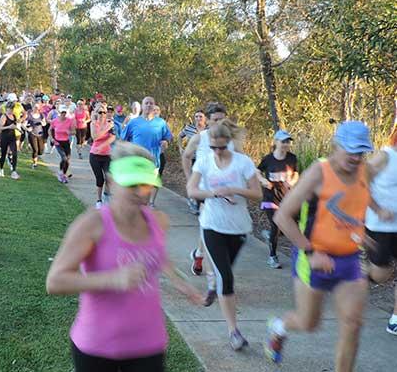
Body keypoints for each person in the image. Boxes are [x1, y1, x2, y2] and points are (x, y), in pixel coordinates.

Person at [46, 141, 204, 372]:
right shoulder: (92, 224)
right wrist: (113, 279)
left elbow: (158, 256)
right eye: (131, 183)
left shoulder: (158, 220)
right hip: (98, 345)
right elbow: (55, 281)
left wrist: (179, 281)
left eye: (145, 184)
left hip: (149, 343)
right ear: (111, 182)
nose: (139, 192)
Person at [266, 121, 381, 371]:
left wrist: (371, 221)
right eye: (349, 150)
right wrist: (310, 252)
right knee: (309, 323)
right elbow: (282, 216)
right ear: (335, 145)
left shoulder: (365, 171)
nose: (354, 157)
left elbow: (360, 196)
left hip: (349, 259)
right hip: (313, 258)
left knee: (353, 324)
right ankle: (279, 328)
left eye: (360, 152)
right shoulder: (319, 173)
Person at [187, 120, 261, 351]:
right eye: (214, 147)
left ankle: (212, 280)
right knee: (225, 277)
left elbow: (258, 194)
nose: (218, 151)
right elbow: (192, 190)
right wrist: (213, 193)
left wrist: (234, 190)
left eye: (222, 146)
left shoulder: (243, 163)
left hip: (238, 228)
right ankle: (234, 332)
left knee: (224, 274)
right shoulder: (205, 161)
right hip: (211, 225)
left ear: (229, 142)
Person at [181, 102, 239, 287]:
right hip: (205, 190)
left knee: (217, 227)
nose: (218, 123)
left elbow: (240, 161)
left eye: (222, 119)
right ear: (208, 120)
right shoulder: (200, 138)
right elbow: (186, 156)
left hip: (227, 191)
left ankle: (199, 254)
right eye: (215, 120)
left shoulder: (232, 140)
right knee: (210, 225)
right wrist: (190, 179)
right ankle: (213, 274)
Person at [364, 125, 397, 335]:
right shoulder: (386, 156)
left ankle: (395, 317)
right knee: (381, 273)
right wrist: (377, 209)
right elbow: (360, 181)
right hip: (380, 226)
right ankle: (358, 274)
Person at [256, 130, 299, 269]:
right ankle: (272, 256)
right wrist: (263, 180)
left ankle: (270, 235)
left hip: (286, 198)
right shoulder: (268, 159)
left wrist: (292, 181)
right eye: (283, 141)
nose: (286, 144)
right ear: (276, 142)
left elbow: (296, 174)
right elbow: (257, 171)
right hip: (270, 197)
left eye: (288, 141)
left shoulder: (292, 158)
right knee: (276, 224)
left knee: (285, 227)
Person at [121, 97, 172, 208]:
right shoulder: (133, 122)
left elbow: (167, 137)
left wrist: (165, 142)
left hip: (153, 160)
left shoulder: (161, 123)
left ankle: (145, 207)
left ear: (154, 106)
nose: (149, 105)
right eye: (146, 103)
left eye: (151, 103)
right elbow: (123, 138)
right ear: (142, 106)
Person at [179, 109, 207, 214]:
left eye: (200, 116)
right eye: (196, 117)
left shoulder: (209, 130)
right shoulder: (189, 128)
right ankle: (195, 202)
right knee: (196, 181)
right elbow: (180, 136)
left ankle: (199, 202)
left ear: (205, 118)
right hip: (193, 158)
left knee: (204, 183)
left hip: (206, 160)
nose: (198, 119)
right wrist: (180, 148)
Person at [89, 103, 116, 208]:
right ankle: (98, 200)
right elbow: (95, 137)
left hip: (107, 155)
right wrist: (106, 128)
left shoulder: (110, 123)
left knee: (109, 177)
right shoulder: (93, 124)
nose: (102, 114)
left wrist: (104, 145)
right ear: (96, 113)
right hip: (95, 155)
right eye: (100, 112)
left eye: (104, 112)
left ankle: (106, 196)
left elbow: (113, 137)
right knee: (100, 179)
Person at [51, 104, 76, 183]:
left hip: (66, 142)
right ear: (59, 112)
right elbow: (50, 130)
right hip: (58, 142)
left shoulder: (69, 121)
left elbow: (74, 132)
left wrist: (70, 132)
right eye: (62, 113)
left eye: (65, 113)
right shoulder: (55, 121)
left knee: (67, 160)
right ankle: (61, 173)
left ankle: (63, 174)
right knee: (64, 157)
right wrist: (52, 138)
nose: (63, 114)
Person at [0, 101, 21, 180]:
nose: (10, 110)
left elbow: (14, 125)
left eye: (12, 109)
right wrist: (8, 127)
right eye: (9, 109)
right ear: (6, 108)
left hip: (12, 137)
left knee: (15, 154)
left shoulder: (14, 116)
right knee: (3, 154)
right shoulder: (4, 116)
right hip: (5, 137)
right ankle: (1, 169)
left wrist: (19, 129)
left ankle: (14, 171)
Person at [26, 102, 46, 169]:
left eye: (37, 108)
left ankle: (36, 159)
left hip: (40, 134)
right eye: (35, 107)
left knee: (41, 151)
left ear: (39, 109)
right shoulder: (29, 115)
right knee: (35, 150)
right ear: (33, 108)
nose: (36, 109)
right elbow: (24, 124)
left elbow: (44, 124)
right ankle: (35, 163)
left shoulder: (41, 115)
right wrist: (28, 128)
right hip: (32, 134)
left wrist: (42, 123)